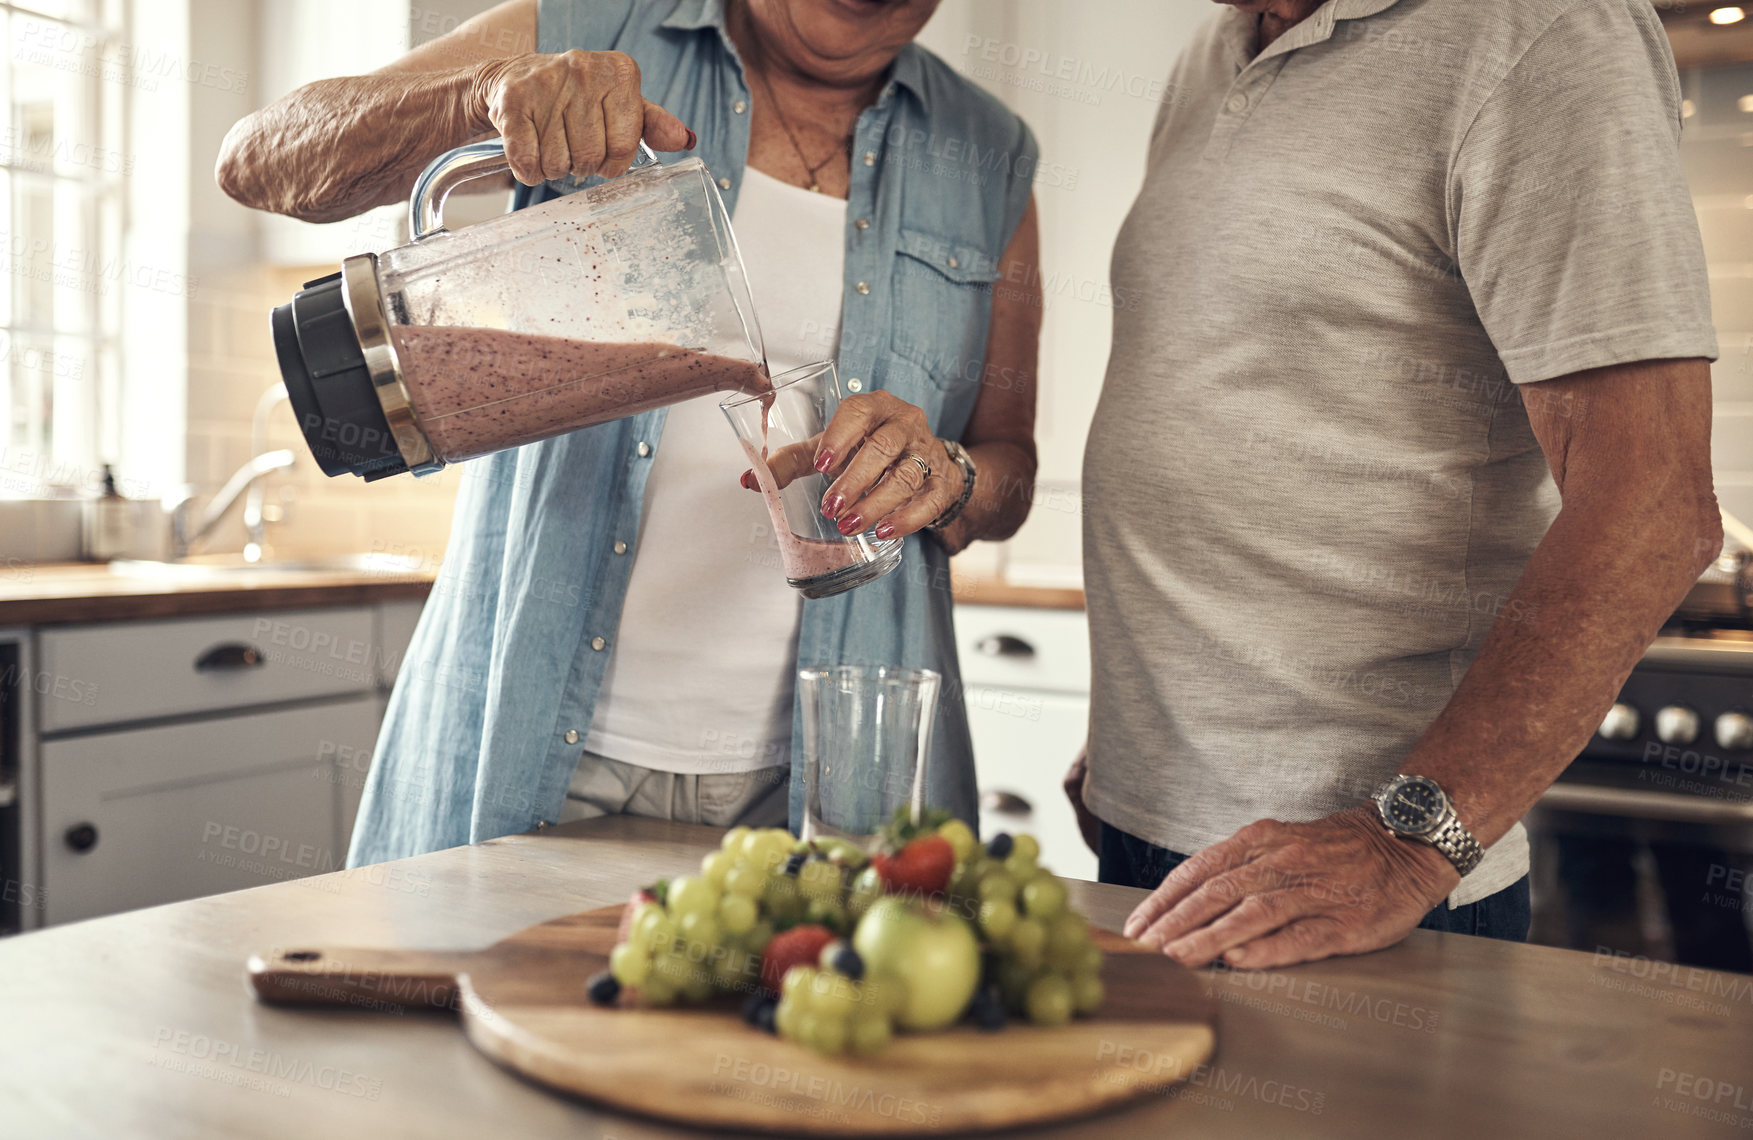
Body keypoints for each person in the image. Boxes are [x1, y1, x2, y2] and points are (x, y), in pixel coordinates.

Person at [216, 0, 1042, 862]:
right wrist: (483, 94)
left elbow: (1007, 466)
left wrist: (948, 473)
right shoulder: (598, 25)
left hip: (837, 778)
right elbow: (260, 161)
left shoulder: (989, 152)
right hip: (533, 738)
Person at [1067, 0, 1722, 969]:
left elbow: (1654, 503)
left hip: (1354, 881)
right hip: (1143, 828)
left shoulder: (1544, 31)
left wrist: (1402, 847)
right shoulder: (1216, 47)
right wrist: (1136, 738)